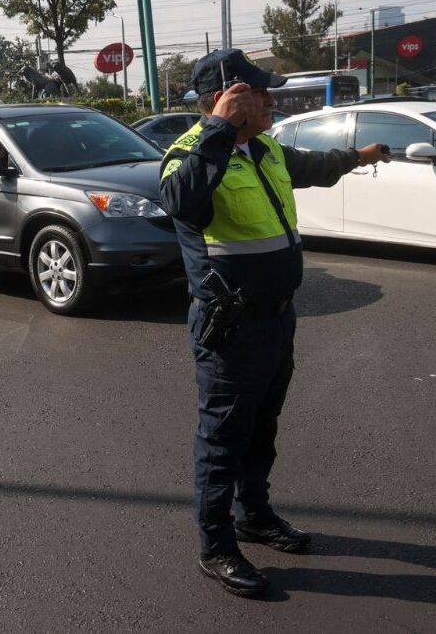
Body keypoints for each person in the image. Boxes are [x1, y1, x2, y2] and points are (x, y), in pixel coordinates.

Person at [158, 49, 389, 598]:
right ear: (227, 97)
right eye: (259, 93)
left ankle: (253, 515)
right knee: (222, 440)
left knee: (262, 427)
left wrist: (361, 154)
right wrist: (217, 128)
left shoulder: (265, 149)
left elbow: (313, 167)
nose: (271, 100)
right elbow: (179, 201)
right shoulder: (189, 154)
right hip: (232, 329)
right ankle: (216, 546)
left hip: (278, 319)